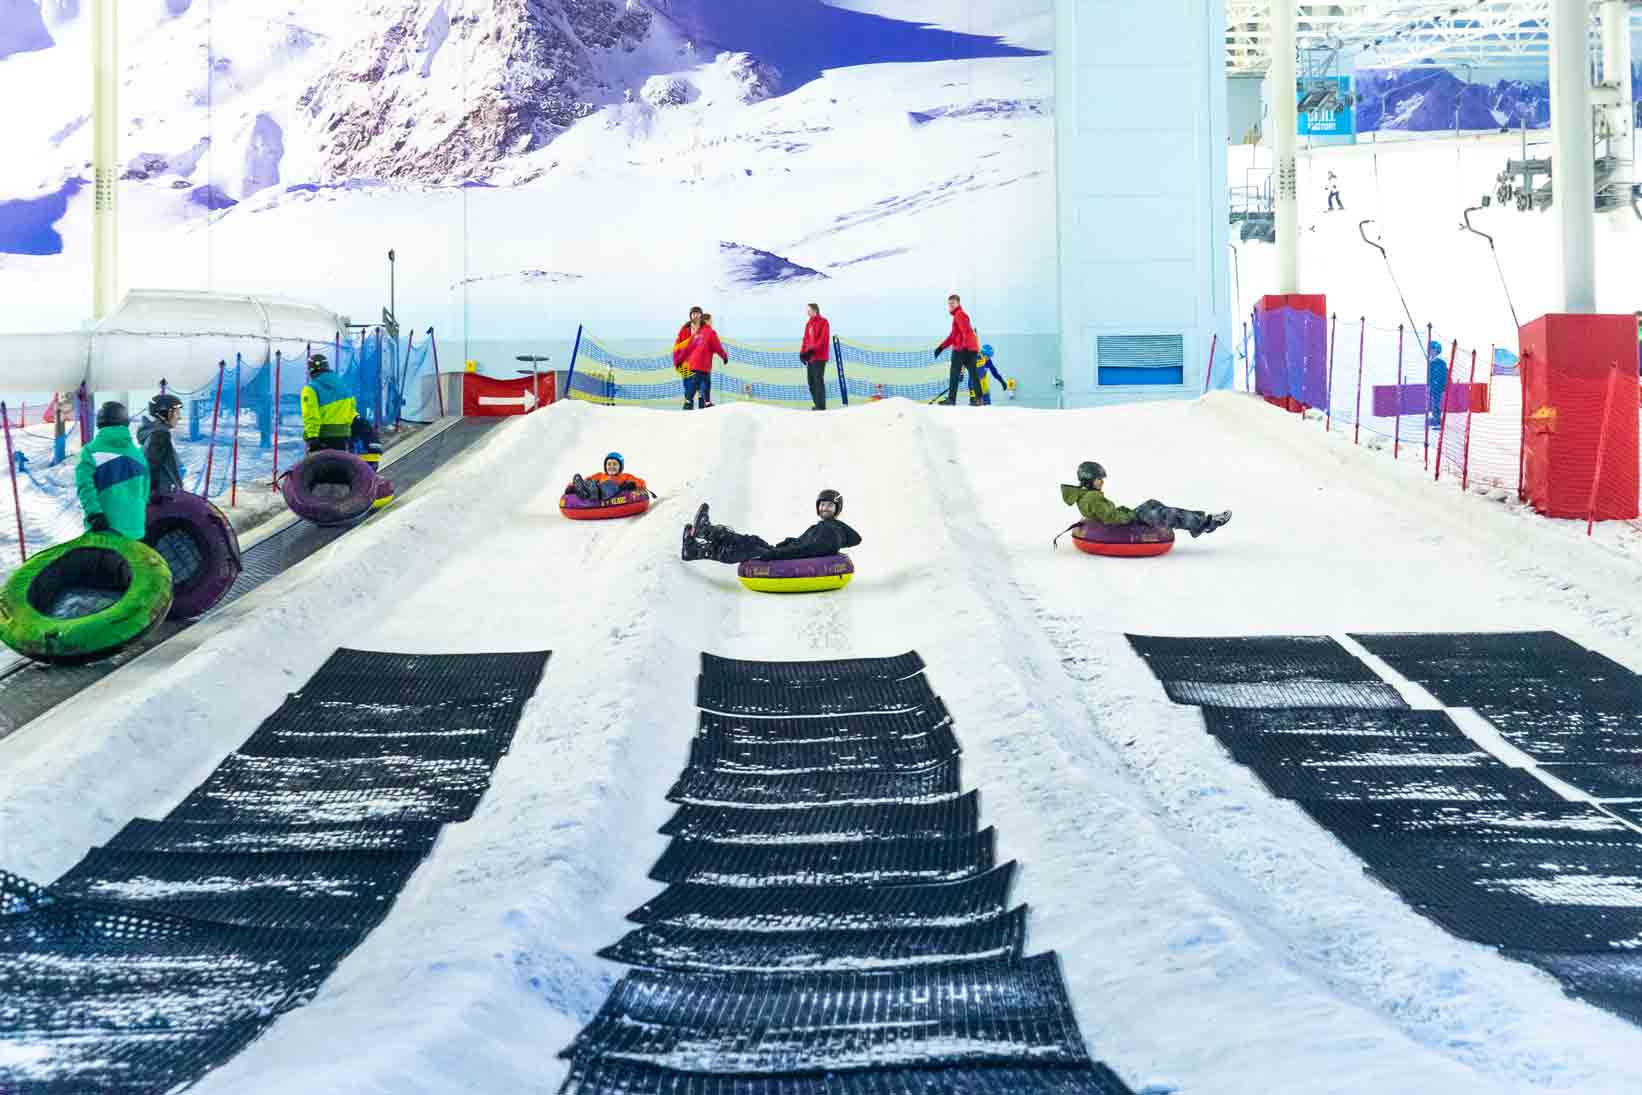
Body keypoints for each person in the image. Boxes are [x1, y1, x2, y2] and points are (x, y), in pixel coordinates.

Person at [682, 489, 861, 565]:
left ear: (837, 509)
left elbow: (809, 550)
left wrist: (777, 553)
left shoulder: (830, 530)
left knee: (749, 547)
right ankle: (703, 538)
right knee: (753, 541)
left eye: (829, 505)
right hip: (788, 554)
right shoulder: (825, 527)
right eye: (822, 504)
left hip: (788, 560)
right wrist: (789, 542)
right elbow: (803, 543)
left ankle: (700, 545)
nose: (824, 508)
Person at [1061, 461, 1230, 539]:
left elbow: (1106, 513)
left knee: (1152, 504)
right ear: (1089, 479)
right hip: (1128, 522)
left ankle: (1197, 524)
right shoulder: (1092, 498)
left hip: (1128, 516)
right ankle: (1206, 523)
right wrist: (1131, 516)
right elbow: (1109, 518)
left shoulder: (1086, 495)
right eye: (1099, 479)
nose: (1102, 482)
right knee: (1165, 514)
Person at [76, 402, 149, 538]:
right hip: (135, 528)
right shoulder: (138, 455)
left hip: (104, 527)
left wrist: (94, 514)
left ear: (100, 424)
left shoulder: (90, 451)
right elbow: (144, 492)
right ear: (125, 423)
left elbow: (85, 486)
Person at [301, 353, 382, 462]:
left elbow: (311, 416)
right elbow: (351, 410)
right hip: (343, 436)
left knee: (320, 471)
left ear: (310, 371)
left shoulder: (310, 389)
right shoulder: (343, 387)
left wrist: (312, 437)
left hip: (322, 437)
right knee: (338, 468)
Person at [933, 293, 981, 405]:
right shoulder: (959, 316)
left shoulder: (959, 315)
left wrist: (965, 347)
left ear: (958, 303)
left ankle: (951, 399)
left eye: (953, 303)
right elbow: (953, 336)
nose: (951, 306)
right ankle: (979, 399)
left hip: (962, 349)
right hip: (970, 349)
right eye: (949, 304)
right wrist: (941, 347)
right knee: (973, 373)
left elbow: (966, 333)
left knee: (954, 374)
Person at [674, 312, 728, 410]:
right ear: (707, 321)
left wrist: (679, 360)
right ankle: (689, 402)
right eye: (711, 321)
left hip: (694, 364)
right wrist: (724, 357)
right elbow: (717, 347)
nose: (712, 322)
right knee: (699, 383)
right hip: (703, 365)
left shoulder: (697, 334)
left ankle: (705, 402)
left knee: (705, 383)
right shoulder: (711, 332)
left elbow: (687, 349)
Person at [138, 391, 185, 497]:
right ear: (164, 414)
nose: (179, 417)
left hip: (163, 493)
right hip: (164, 496)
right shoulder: (160, 435)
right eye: (176, 413)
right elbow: (152, 467)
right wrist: (154, 495)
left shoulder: (154, 432)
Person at [569, 452, 649, 502]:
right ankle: (584, 491)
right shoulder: (600, 475)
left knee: (610, 484)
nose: (611, 466)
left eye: (615, 464)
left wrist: (632, 484)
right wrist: (571, 487)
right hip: (596, 489)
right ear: (605, 466)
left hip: (609, 491)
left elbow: (642, 482)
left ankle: (593, 492)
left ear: (620, 467)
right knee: (590, 481)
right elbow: (584, 481)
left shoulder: (625, 476)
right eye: (609, 464)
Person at [800, 303, 832, 411]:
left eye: (808, 310)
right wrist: (802, 353)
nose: (807, 312)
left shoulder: (824, 322)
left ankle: (821, 406)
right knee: (811, 382)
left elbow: (823, 340)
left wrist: (812, 350)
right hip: (810, 357)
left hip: (819, 357)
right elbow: (805, 339)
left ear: (815, 310)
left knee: (818, 381)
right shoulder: (808, 324)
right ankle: (817, 404)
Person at [1425, 339, 1449, 429]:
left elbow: (1442, 375)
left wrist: (1436, 383)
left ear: (1436, 350)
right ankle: (1436, 418)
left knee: (1437, 403)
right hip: (1433, 386)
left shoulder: (1440, 362)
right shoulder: (1432, 361)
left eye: (1431, 349)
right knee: (1434, 403)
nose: (1430, 351)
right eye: (1429, 349)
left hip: (1437, 386)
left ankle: (1438, 421)